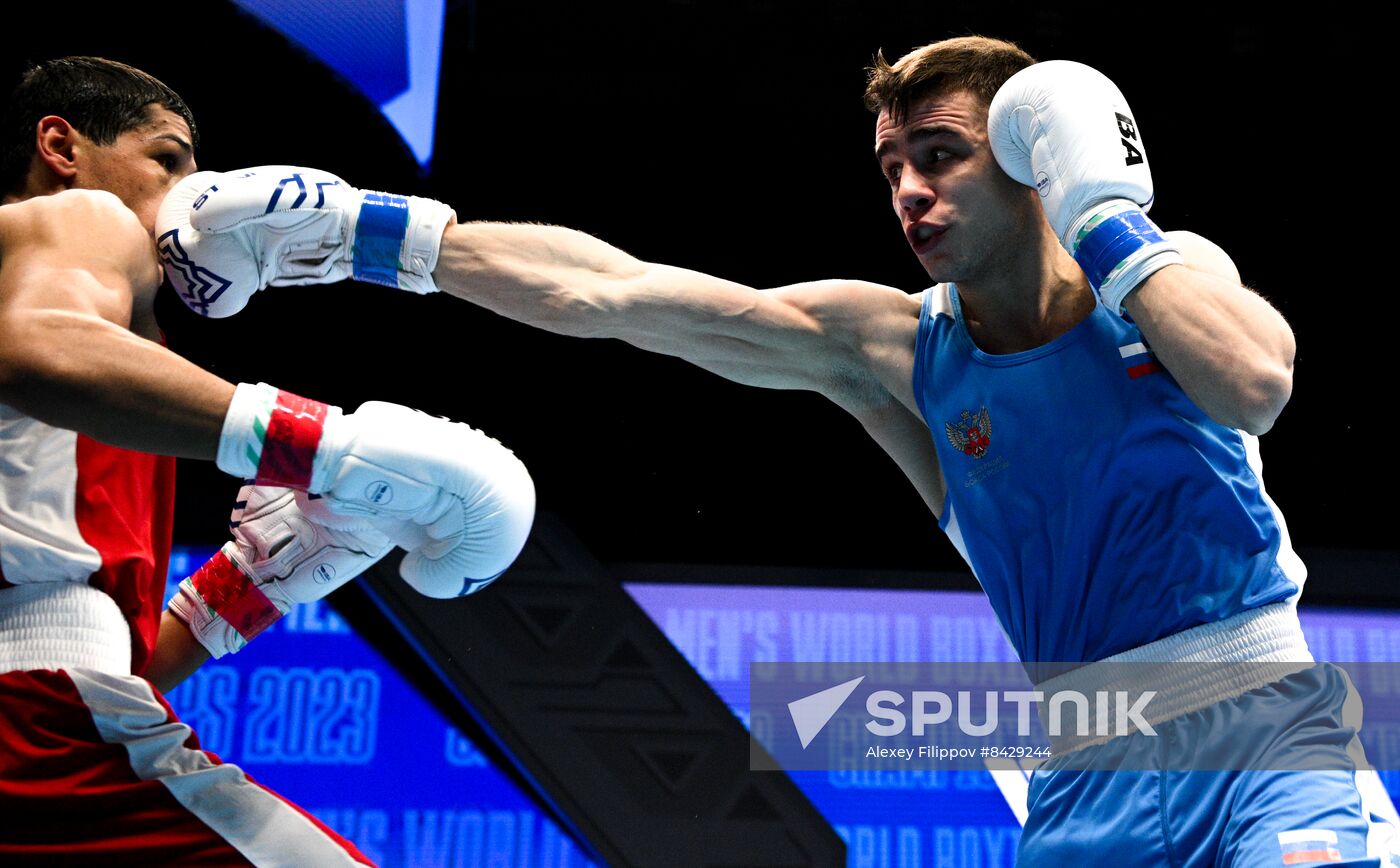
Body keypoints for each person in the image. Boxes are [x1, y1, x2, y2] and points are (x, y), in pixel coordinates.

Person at [157, 34, 1400, 864]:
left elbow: (1253, 381)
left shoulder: (1159, 287)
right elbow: (619, 293)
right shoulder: (892, 350)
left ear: (1030, 156)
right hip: (1082, 767)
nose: (908, 191)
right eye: (891, 165)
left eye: (942, 154)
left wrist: (1106, 214)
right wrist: (379, 237)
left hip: (1257, 733)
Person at [0, 57, 535, 865]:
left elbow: (74, 648)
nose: (184, 195)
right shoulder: (79, 225)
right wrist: (330, 450)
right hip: (38, 730)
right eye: (167, 160)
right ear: (60, 146)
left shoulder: (115, 383)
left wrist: (253, 579)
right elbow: (37, 350)